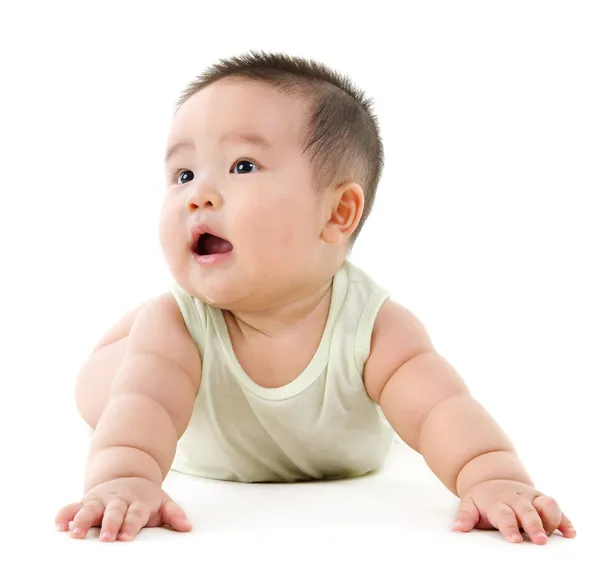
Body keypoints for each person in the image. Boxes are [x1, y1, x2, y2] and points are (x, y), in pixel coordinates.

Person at [55, 50, 577, 545]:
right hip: (170, 395)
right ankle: (123, 336)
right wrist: (124, 479)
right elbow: (143, 409)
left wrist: (494, 478)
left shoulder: (375, 328)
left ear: (338, 214)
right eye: (184, 174)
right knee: (108, 387)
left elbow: (442, 410)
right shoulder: (175, 326)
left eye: (242, 166)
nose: (199, 193)